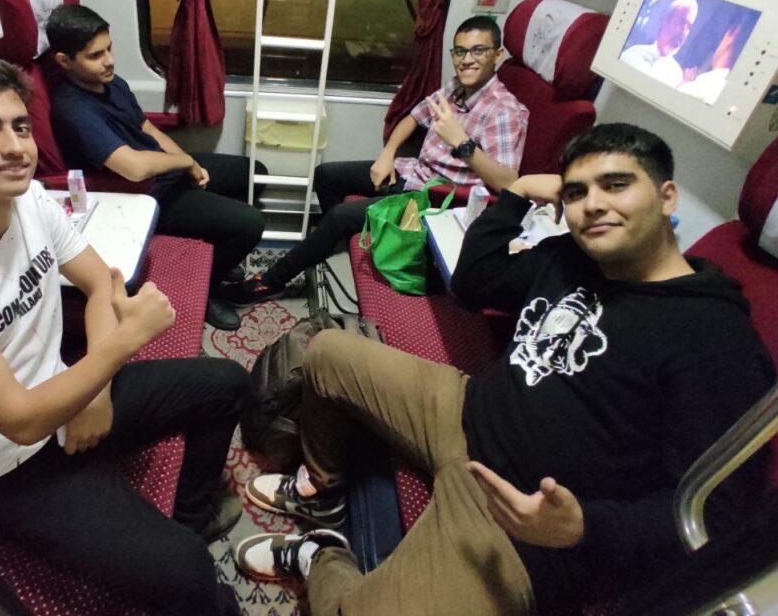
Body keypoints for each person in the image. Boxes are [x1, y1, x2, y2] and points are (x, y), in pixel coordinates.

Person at [231, 123, 774, 615]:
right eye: (576, 192)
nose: (592, 205)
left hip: (515, 518)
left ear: (666, 196)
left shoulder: (715, 340)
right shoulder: (573, 256)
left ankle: (320, 555)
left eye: (615, 185)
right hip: (465, 410)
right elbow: (473, 285)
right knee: (327, 352)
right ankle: (323, 491)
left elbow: (717, 516)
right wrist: (514, 192)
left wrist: (584, 526)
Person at [0, 58, 251, 616]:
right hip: (7, 465)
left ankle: (190, 517)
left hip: (70, 394)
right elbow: (21, 420)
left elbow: (100, 282)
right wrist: (119, 348)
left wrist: (94, 392)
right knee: (189, 571)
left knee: (227, 383)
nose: (15, 147)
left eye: (20, 127)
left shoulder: (29, 202)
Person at [219, 14, 528, 306]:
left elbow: (508, 183)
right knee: (326, 175)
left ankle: (271, 282)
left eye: (478, 50)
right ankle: (338, 243)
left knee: (339, 216)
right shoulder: (457, 87)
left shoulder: (502, 110)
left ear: (497, 54)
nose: (467, 59)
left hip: (435, 197)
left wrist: (462, 143)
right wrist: (387, 155)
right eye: (460, 51)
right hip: (412, 173)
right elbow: (413, 117)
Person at [47, 4, 265, 331]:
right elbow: (133, 168)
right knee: (250, 224)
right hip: (144, 194)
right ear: (65, 61)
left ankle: (219, 253)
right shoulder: (74, 111)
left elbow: (145, 128)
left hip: (164, 171)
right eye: (95, 55)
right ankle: (210, 289)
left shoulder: (112, 84)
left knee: (254, 173)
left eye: (109, 49)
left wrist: (188, 163)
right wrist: (186, 162)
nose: (109, 60)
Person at [620, 0, 699, 88]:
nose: (684, 31)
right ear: (665, 20)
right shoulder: (632, 54)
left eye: (689, 26)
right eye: (681, 22)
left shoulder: (677, 75)